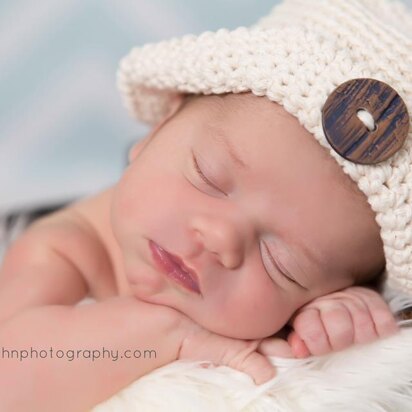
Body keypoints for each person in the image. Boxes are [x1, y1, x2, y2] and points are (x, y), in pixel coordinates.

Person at [0, 0, 411, 410]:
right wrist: (169, 335)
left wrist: (334, 319)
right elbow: (11, 370)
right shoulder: (60, 248)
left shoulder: (303, 301)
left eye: (282, 263)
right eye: (209, 179)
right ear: (158, 129)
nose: (220, 238)